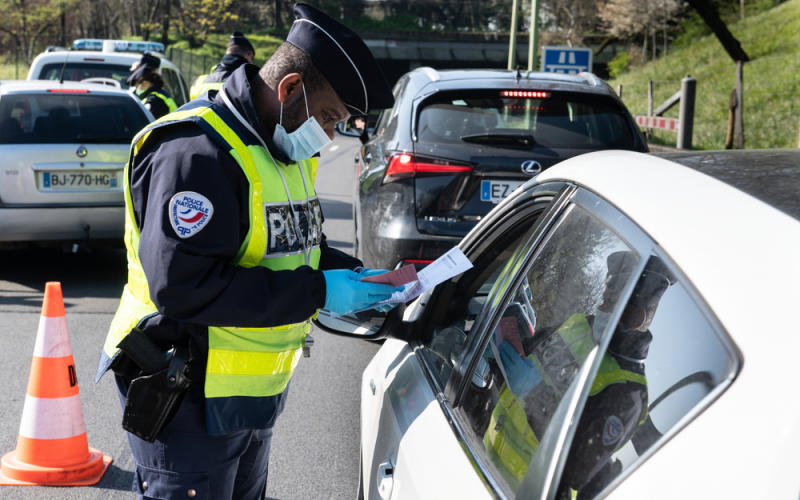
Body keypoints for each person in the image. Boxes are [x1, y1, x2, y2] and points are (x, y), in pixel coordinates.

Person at [96, 3, 397, 499]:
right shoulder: (196, 153)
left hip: (247, 398)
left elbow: (299, 246)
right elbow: (183, 287)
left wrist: (364, 279)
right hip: (186, 394)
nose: (328, 136)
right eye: (328, 117)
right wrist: (320, 292)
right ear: (290, 89)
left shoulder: (284, 151)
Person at [481, 253, 676, 497]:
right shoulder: (577, 324)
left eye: (611, 302)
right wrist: (494, 350)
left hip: (521, 492)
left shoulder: (628, 391)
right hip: (483, 458)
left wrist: (534, 394)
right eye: (604, 298)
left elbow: (576, 466)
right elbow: (525, 360)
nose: (601, 308)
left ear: (636, 317)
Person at [189, 31, 256, 100]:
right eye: (252, 59)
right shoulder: (250, 83)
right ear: (249, 54)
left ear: (227, 53)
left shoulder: (199, 82)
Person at [126, 52, 177, 119]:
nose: (135, 86)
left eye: (136, 81)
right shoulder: (148, 96)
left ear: (142, 79)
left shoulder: (156, 100)